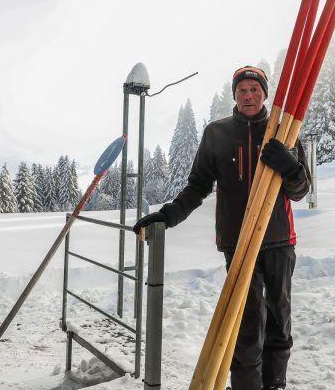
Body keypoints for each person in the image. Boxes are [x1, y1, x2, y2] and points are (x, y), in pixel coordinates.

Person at [133, 65, 311, 390]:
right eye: (242, 90)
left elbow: (301, 191)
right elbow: (198, 184)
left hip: (279, 241)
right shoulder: (217, 133)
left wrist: (289, 165)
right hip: (238, 244)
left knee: (278, 321)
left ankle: (275, 384)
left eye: (254, 90)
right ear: (235, 95)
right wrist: (169, 215)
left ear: (264, 94)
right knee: (244, 324)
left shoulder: (283, 132)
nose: (248, 96)